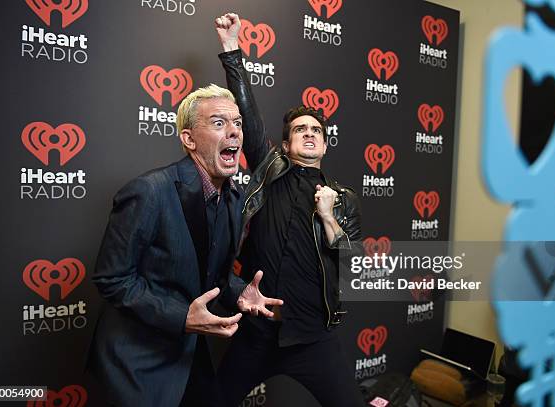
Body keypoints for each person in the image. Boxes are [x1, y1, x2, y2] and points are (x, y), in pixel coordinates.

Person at [87, 84, 283, 407]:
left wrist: (239, 291)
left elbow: (215, 274)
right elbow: (112, 279)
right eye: (219, 123)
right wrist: (181, 317)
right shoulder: (149, 192)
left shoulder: (234, 199)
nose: (234, 132)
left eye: (237, 123)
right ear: (189, 139)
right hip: (138, 361)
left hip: (188, 353)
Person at [214, 13, 365, 407]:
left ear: (326, 145)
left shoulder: (343, 197)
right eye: (301, 129)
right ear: (286, 144)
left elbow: (350, 254)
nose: (310, 134)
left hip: (314, 338)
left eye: (316, 130)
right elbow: (247, 112)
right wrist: (231, 48)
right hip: (258, 331)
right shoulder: (268, 170)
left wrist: (329, 214)